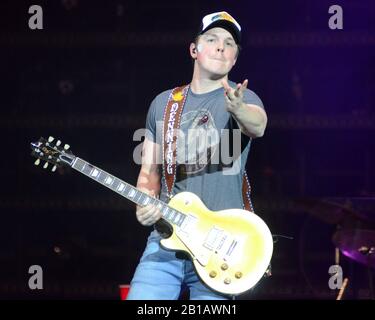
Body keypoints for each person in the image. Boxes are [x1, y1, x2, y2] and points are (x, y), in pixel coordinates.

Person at [127, 11, 267, 300]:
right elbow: (149, 174)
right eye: (212, 39)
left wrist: (238, 109)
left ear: (235, 58)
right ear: (194, 49)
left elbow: (258, 125)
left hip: (221, 247)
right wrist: (144, 204)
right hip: (166, 240)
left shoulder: (245, 99)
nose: (220, 46)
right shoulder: (164, 103)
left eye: (229, 43)